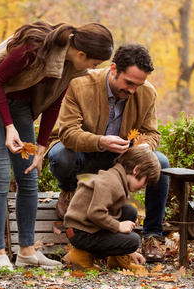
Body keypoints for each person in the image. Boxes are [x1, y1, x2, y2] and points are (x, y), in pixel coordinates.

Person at [0, 21, 114, 271]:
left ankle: (26, 252)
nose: (93, 68)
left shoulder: (71, 67)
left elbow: (54, 103)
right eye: (94, 63)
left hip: (18, 102)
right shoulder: (33, 48)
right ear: (81, 54)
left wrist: (42, 146)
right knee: (0, 176)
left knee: (29, 174)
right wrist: (9, 127)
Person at [47, 43, 171, 262]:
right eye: (129, 83)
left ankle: (152, 234)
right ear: (113, 69)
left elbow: (152, 133)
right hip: (84, 151)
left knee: (161, 164)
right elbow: (68, 133)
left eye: (138, 85)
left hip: (121, 158)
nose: (133, 90)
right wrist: (100, 141)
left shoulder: (147, 92)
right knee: (60, 155)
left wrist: (145, 148)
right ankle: (69, 192)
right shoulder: (80, 84)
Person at [62, 145, 161, 271]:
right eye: (145, 182)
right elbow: (96, 213)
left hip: (88, 227)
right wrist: (118, 226)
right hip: (80, 232)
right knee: (133, 241)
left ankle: (116, 260)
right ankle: (80, 256)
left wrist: (129, 252)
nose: (144, 186)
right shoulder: (111, 183)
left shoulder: (117, 178)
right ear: (136, 170)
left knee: (129, 212)